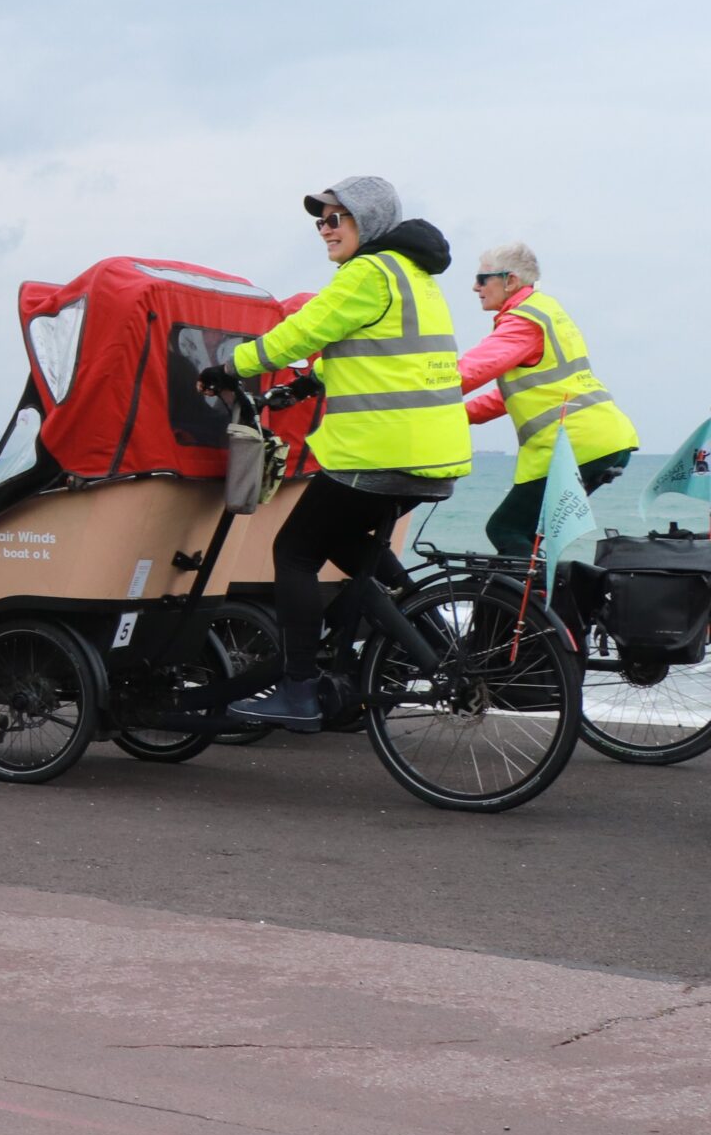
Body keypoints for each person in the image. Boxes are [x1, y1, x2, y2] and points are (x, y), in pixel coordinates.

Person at [201, 176, 473, 731]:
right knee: (348, 545)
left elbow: (301, 333)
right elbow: (376, 350)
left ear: (366, 221)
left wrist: (228, 369)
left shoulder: (368, 272)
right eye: (319, 222)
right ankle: (419, 641)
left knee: (295, 551)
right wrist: (307, 384)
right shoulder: (412, 276)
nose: (325, 230)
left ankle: (299, 689)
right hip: (432, 456)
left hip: (377, 455)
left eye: (335, 219)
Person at [457, 242, 639, 558]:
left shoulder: (523, 320)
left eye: (482, 278)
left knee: (506, 529)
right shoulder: (545, 310)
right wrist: (458, 415)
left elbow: (468, 372)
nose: (475, 287)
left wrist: (415, 399)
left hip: (578, 444)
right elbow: (509, 395)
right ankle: (537, 589)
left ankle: (537, 591)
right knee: (527, 534)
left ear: (510, 280)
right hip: (605, 440)